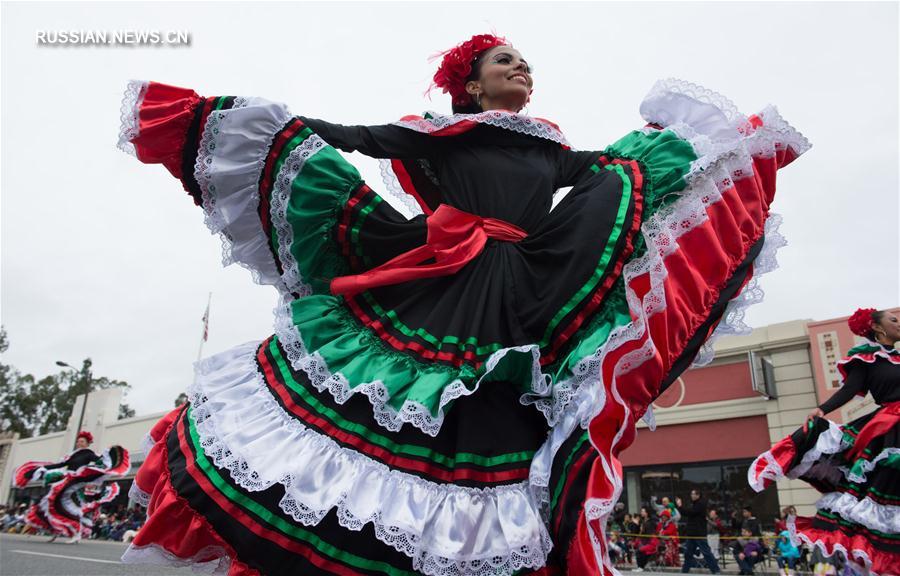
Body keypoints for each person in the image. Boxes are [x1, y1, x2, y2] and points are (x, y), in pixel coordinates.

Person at [118, 33, 809, 576]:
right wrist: (288, 129)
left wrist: (708, 146)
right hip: (444, 281)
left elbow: (616, 175)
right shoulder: (441, 133)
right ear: (472, 84)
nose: (524, 71)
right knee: (404, 409)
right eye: (507, 62)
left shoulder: (550, 149)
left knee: (495, 423)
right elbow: (355, 137)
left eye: (528, 64)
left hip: (523, 292)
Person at [750, 308, 900, 575]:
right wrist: (822, 409)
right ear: (877, 328)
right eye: (894, 319)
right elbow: (850, 389)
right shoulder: (866, 359)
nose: (899, 323)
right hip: (890, 427)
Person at [13, 432, 130, 544]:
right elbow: (61, 465)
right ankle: (55, 530)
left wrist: (107, 454)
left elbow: (99, 461)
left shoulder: (88, 453)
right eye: (78, 441)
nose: (79, 443)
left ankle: (76, 532)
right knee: (49, 502)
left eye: (82, 441)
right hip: (67, 480)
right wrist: (42, 468)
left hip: (76, 481)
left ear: (87, 443)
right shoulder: (73, 455)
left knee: (63, 504)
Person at [678, 491, 720, 573]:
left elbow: (690, 512)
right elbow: (687, 513)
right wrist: (681, 508)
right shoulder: (693, 504)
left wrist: (680, 506)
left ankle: (716, 570)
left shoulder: (701, 504)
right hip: (691, 534)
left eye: (693, 494)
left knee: (706, 553)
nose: (692, 496)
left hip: (699, 534)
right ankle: (684, 571)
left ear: (698, 495)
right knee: (688, 553)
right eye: (691, 494)